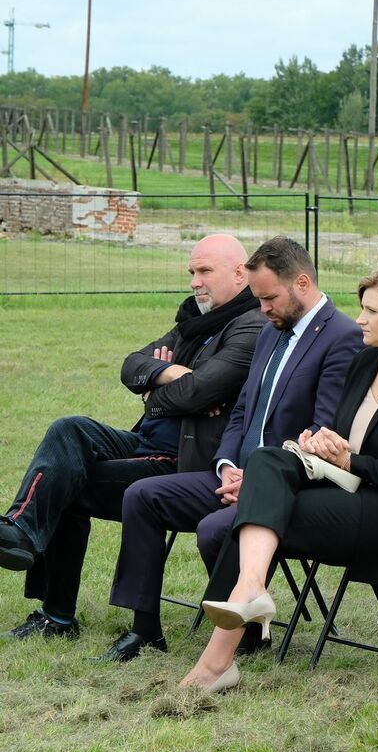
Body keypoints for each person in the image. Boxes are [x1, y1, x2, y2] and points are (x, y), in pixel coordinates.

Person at [181, 265, 378, 692]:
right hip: (350, 490)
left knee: (271, 514)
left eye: (372, 311)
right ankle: (250, 589)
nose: (360, 320)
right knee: (267, 461)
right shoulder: (367, 361)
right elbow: (345, 436)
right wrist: (320, 444)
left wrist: (353, 462)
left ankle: (217, 661)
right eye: (361, 309)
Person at [99, 237, 362, 662]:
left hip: (289, 483)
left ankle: (245, 634)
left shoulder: (342, 336)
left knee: (214, 529)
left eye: (270, 298)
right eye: (258, 299)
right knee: (143, 496)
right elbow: (240, 413)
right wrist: (225, 466)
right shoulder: (270, 331)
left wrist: (259, 479)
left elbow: (325, 429)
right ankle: (144, 628)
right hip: (235, 475)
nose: (263, 308)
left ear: (302, 282)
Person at [0, 234, 264, 642]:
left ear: (239, 273)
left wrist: (157, 389)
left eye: (205, 271)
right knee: (70, 429)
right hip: (147, 442)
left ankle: (56, 614)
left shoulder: (251, 325)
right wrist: (173, 377)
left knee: (68, 483)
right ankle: (21, 529)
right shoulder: (192, 322)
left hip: (184, 458)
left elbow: (201, 391)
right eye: (192, 272)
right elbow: (132, 365)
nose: (195, 281)